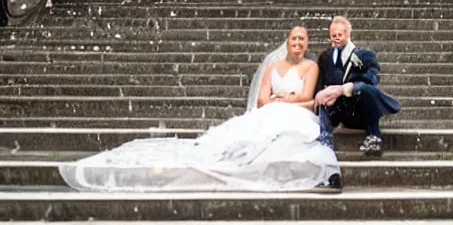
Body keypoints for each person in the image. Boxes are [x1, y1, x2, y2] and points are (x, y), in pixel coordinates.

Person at [59, 26, 341, 192]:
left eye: (302, 40)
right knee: (234, 138)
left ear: (307, 44)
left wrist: (282, 100)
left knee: (289, 135)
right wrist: (282, 98)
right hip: (272, 110)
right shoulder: (273, 66)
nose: (298, 44)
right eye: (294, 39)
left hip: (293, 112)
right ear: (287, 41)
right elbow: (261, 101)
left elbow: (306, 95)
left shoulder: (311, 66)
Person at [314, 16, 400, 155]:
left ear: (348, 33)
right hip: (336, 109)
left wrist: (344, 89)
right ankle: (325, 137)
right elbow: (320, 83)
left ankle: (374, 137)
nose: (336, 38)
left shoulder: (366, 56)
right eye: (333, 36)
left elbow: (372, 80)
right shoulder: (325, 57)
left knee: (367, 89)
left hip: (359, 108)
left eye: (339, 35)